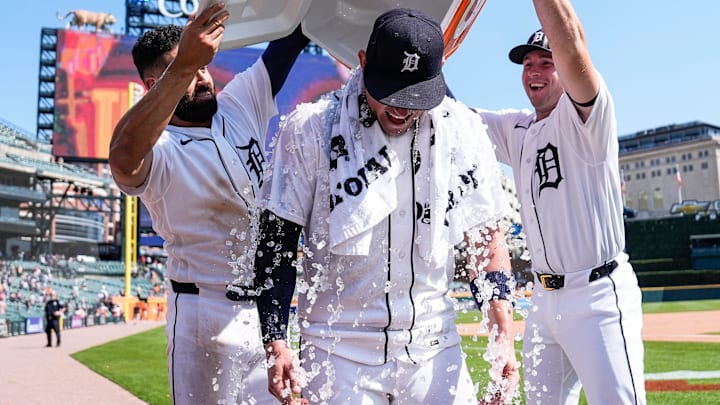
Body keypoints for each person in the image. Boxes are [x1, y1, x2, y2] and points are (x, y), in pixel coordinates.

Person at [254, 8, 519, 405]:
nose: (401, 109)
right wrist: (277, 341)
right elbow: (276, 245)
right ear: (361, 61)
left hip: (433, 339)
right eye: (389, 91)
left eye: (414, 97)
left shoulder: (463, 128)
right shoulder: (309, 128)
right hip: (336, 344)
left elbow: (487, 240)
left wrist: (503, 342)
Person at [108, 3, 309, 404]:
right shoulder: (158, 149)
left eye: (202, 66)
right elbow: (122, 158)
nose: (202, 79)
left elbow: (294, 34)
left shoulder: (237, 103)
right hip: (203, 314)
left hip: (267, 311)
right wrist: (183, 64)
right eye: (187, 70)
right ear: (153, 86)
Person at [475, 0, 646, 403]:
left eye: (545, 62)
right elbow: (451, 115)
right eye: (527, 63)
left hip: (597, 295)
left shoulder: (587, 117)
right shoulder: (515, 127)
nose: (534, 71)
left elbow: (573, 46)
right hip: (543, 300)